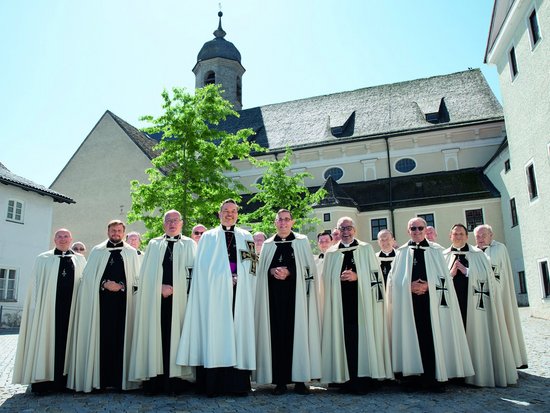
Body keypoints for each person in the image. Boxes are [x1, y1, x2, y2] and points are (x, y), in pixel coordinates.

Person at [176, 199, 257, 397]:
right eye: (226, 211)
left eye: (233, 211)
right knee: (215, 333)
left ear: (238, 214)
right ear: (219, 213)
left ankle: (237, 385)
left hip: (239, 293)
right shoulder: (209, 237)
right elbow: (203, 270)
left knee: (237, 334)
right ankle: (212, 385)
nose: (230, 214)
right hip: (214, 297)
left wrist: (241, 278)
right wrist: (224, 278)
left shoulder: (247, 236)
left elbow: (252, 265)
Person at [387, 217, 473, 392]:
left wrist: (428, 286)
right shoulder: (402, 253)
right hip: (409, 304)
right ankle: (412, 378)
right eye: (413, 228)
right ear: (408, 231)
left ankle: (432, 377)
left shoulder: (436, 251)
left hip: (432, 303)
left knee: (431, 338)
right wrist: (409, 286)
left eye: (420, 228)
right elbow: (392, 281)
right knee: (412, 337)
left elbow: (445, 278)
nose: (417, 232)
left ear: (426, 230)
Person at [66, 220, 140, 393]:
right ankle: (100, 380)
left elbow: (137, 279)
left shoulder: (130, 253)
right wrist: (105, 284)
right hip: (100, 306)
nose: (116, 233)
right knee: (102, 341)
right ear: (108, 231)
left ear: (124, 232)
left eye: (119, 230)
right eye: (113, 230)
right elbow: (88, 278)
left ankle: (121, 381)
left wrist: (121, 286)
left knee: (122, 341)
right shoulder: (98, 251)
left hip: (124, 305)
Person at [322, 217, 393, 394]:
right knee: (343, 339)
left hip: (362, 305)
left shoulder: (365, 249)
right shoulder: (331, 253)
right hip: (340, 305)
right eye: (342, 229)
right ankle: (343, 379)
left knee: (362, 339)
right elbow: (325, 279)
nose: (345, 232)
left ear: (354, 230)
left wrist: (357, 276)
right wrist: (335, 279)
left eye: (349, 228)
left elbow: (375, 277)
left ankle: (364, 378)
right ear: (337, 231)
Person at [255, 209, 321, 395]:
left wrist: (289, 272)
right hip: (273, 301)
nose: (283, 223)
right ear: (275, 223)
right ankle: (280, 381)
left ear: (292, 222)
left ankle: (300, 381)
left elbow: (308, 269)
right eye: (279, 220)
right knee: (276, 339)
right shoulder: (268, 245)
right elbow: (261, 273)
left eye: (286, 219)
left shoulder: (301, 242)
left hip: (297, 299)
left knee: (299, 336)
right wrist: (271, 272)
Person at [129, 210, 196, 394]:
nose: (172, 224)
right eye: (168, 221)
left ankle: (177, 380)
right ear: (163, 224)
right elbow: (146, 274)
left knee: (178, 338)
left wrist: (180, 289)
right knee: (157, 338)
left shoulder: (190, 244)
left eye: (176, 220)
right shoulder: (154, 243)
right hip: (156, 301)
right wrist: (159, 287)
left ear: (181, 223)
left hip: (182, 301)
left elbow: (195, 272)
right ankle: (156, 380)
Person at [443, 224, 517, 387]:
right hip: (451, 305)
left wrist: (467, 271)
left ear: (467, 236)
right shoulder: (444, 256)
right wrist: (451, 274)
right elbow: (438, 279)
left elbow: (489, 277)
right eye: (455, 234)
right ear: (450, 236)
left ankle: (477, 372)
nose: (458, 236)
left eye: (462, 234)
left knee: (475, 336)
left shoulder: (477, 255)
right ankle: (456, 373)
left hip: (475, 304)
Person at [13, 229, 86, 394]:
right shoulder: (43, 259)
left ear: (71, 239)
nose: (62, 239)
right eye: (59, 236)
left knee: (69, 343)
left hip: (72, 310)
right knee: (46, 342)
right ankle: (44, 381)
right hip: (48, 311)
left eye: (65, 236)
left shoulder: (79, 260)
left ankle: (67, 381)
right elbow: (36, 285)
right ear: (54, 239)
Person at [474, 224, 528, 369]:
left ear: (491, 235)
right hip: (482, 296)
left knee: (504, 324)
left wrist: (469, 270)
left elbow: (492, 271)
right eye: (477, 236)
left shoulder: (499, 249)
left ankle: (510, 359)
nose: (480, 239)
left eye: (483, 235)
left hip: (500, 295)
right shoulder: (474, 252)